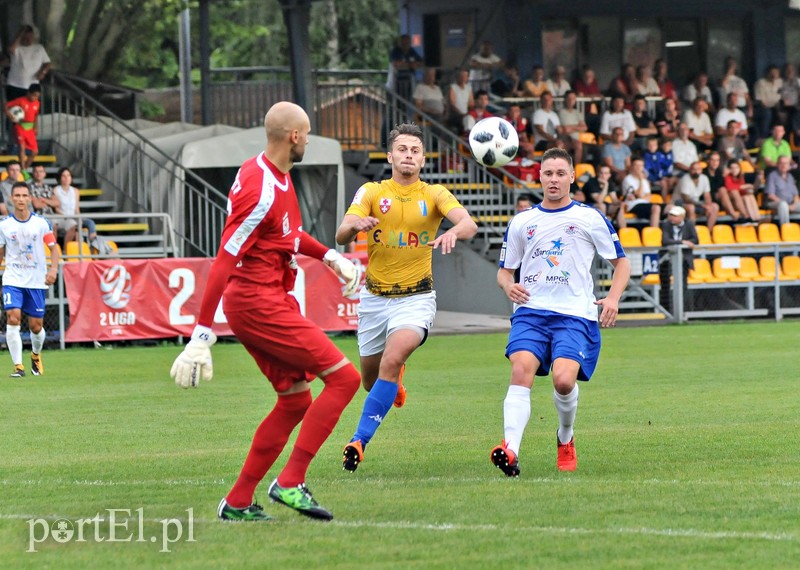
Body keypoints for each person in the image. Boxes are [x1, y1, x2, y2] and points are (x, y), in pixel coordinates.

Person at [170, 102, 362, 522]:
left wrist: (330, 256)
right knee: (345, 378)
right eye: (307, 134)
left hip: (265, 298)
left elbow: (287, 236)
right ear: (294, 136)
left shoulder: (267, 173)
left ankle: (237, 501)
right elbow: (224, 259)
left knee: (295, 402)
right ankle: (291, 482)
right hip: (259, 303)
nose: (308, 140)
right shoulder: (262, 188)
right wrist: (201, 336)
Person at [336, 122, 477, 472]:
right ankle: (394, 381)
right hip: (374, 299)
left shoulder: (434, 194)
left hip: (416, 298)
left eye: (415, 151)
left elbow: (469, 223)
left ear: (423, 160)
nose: (408, 156)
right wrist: (355, 225)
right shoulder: (370, 191)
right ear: (390, 156)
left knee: (391, 358)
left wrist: (454, 233)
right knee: (370, 380)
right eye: (402, 149)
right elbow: (340, 234)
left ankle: (358, 441)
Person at [490, 147, 630, 477]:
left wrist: (612, 298)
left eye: (560, 173)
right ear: (539, 177)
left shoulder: (589, 217)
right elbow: (504, 271)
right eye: (548, 173)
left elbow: (621, 262)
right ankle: (510, 450)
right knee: (521, 369)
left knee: (564, 381)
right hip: (531, 313)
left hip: (574, 315)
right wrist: (507, 285)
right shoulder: (522, 221)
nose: (554, 179)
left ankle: (565, 437)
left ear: (571, 178)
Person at [0, 182, 60, 377]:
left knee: (36, 327)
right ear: (11, 198)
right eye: (16, 195)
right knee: (13, 317)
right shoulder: (4, 226)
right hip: (12, 279)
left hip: (35, 281)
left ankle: (35, 355)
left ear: (29, 198)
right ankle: (18, 366)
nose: (20, 199)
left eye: (24, 195)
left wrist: (54, 270)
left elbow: (53, 248)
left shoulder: (41, 223)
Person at [658, 205, 697, 313]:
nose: (671, 218)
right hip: (666, 260)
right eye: (670, 215)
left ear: (682, 217)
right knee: (665, 285)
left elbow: (695, 240)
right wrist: (683, 242)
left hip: (683, 260)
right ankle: (666, 310)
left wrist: (686, 244)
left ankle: (683, 310)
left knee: (683, 284)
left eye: (674, 216)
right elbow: (665, 241)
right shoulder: (666, 225)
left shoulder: (689, 225)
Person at [53, 167, 104, 250]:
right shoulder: (56, 190)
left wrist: (79, 217)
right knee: (74, 226)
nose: (66, 178)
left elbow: (77, 208)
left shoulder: (75, 191)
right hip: (62, 217)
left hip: (74, 216)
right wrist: (68, 216)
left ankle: (94, 245)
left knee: (90, 223)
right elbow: (56, 209)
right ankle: (66, 251)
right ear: (60, 178)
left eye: (68, 176)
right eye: (64, 176)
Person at [5, 25, 50, 103]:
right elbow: (11, 49)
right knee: (14, 111)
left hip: (32, 87)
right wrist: (20, 32)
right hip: (14, 85)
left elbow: (47, 63)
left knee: (30, 112)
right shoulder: (17, 47)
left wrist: (43, 72)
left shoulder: (39, 48)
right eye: (25, 37)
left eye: (30, 37)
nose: (28, 40)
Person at [5, 83, 41, 169]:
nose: (35, 98)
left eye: (37, 96)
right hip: (20, 127)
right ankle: (23, 168)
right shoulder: (20, 100)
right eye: (34, 95)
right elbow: (6, 105)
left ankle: (24, 168)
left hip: (30, 128)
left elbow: (35, 116)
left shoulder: (37, 103)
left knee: (35, 151)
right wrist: (9, 114)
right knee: (22, 147)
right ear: (28, 93)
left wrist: (36, 127)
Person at [675, 160, 719, 229]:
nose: (696, 171)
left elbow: (707, 195)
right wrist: (703, 205)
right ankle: (691, 233)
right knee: (691, 207)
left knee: (715, 206)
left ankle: (708, 232)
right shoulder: (685, 179)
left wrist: (708, 206)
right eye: (694, 169)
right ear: (690, 170)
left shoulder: (704, 178)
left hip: (696, 203)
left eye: (698, 169)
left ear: (701, 170)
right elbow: (686, 198)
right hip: (680, 203)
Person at [621, 156, 662, 228]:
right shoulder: (628, 179)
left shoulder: (645, 180)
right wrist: (640, 180)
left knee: (669, 208)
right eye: (636, 165)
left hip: (646, 203)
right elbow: (639, 194)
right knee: (656, 208)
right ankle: (654, 235)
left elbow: (649, 196)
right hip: (633, 205)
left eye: (641, 165)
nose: (639, 168)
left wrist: (642, 196)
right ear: (632, 166)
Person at [765, 155, 800, 226]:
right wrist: (787, 205)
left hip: (790, 203)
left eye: (786, 163)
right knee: (783, 205)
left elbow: (795, 194)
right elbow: (770, 195)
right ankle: (786, 228)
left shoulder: (790, 177)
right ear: (777, 164)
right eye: (781, 163)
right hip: (774, 203)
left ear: (789, 165)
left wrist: (794, 204)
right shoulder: (772, 176)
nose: (784, 165)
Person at [28, 163, 60, 233]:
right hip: (37, 215)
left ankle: (55, 244)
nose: (38, 174)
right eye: (36, 172)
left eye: (41, 171)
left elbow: (57, 203)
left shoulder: (48, 188)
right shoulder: (29, 187)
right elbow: (37, 205)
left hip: (51, 215)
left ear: (44, 174)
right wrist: (50, 202)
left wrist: (43, 200)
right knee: (52, 222)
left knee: (68, 224)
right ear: (33, 173)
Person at [447, 69, 474, 134]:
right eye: (461, 76)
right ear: (457, 77)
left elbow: (471, 103)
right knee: (466, 120)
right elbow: (452, 104)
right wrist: (461, 114)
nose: (463, 78)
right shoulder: (453, 87)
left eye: (465, 76)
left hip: (466, 114)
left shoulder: (468, 88)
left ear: (467, 78)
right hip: (455, 115)